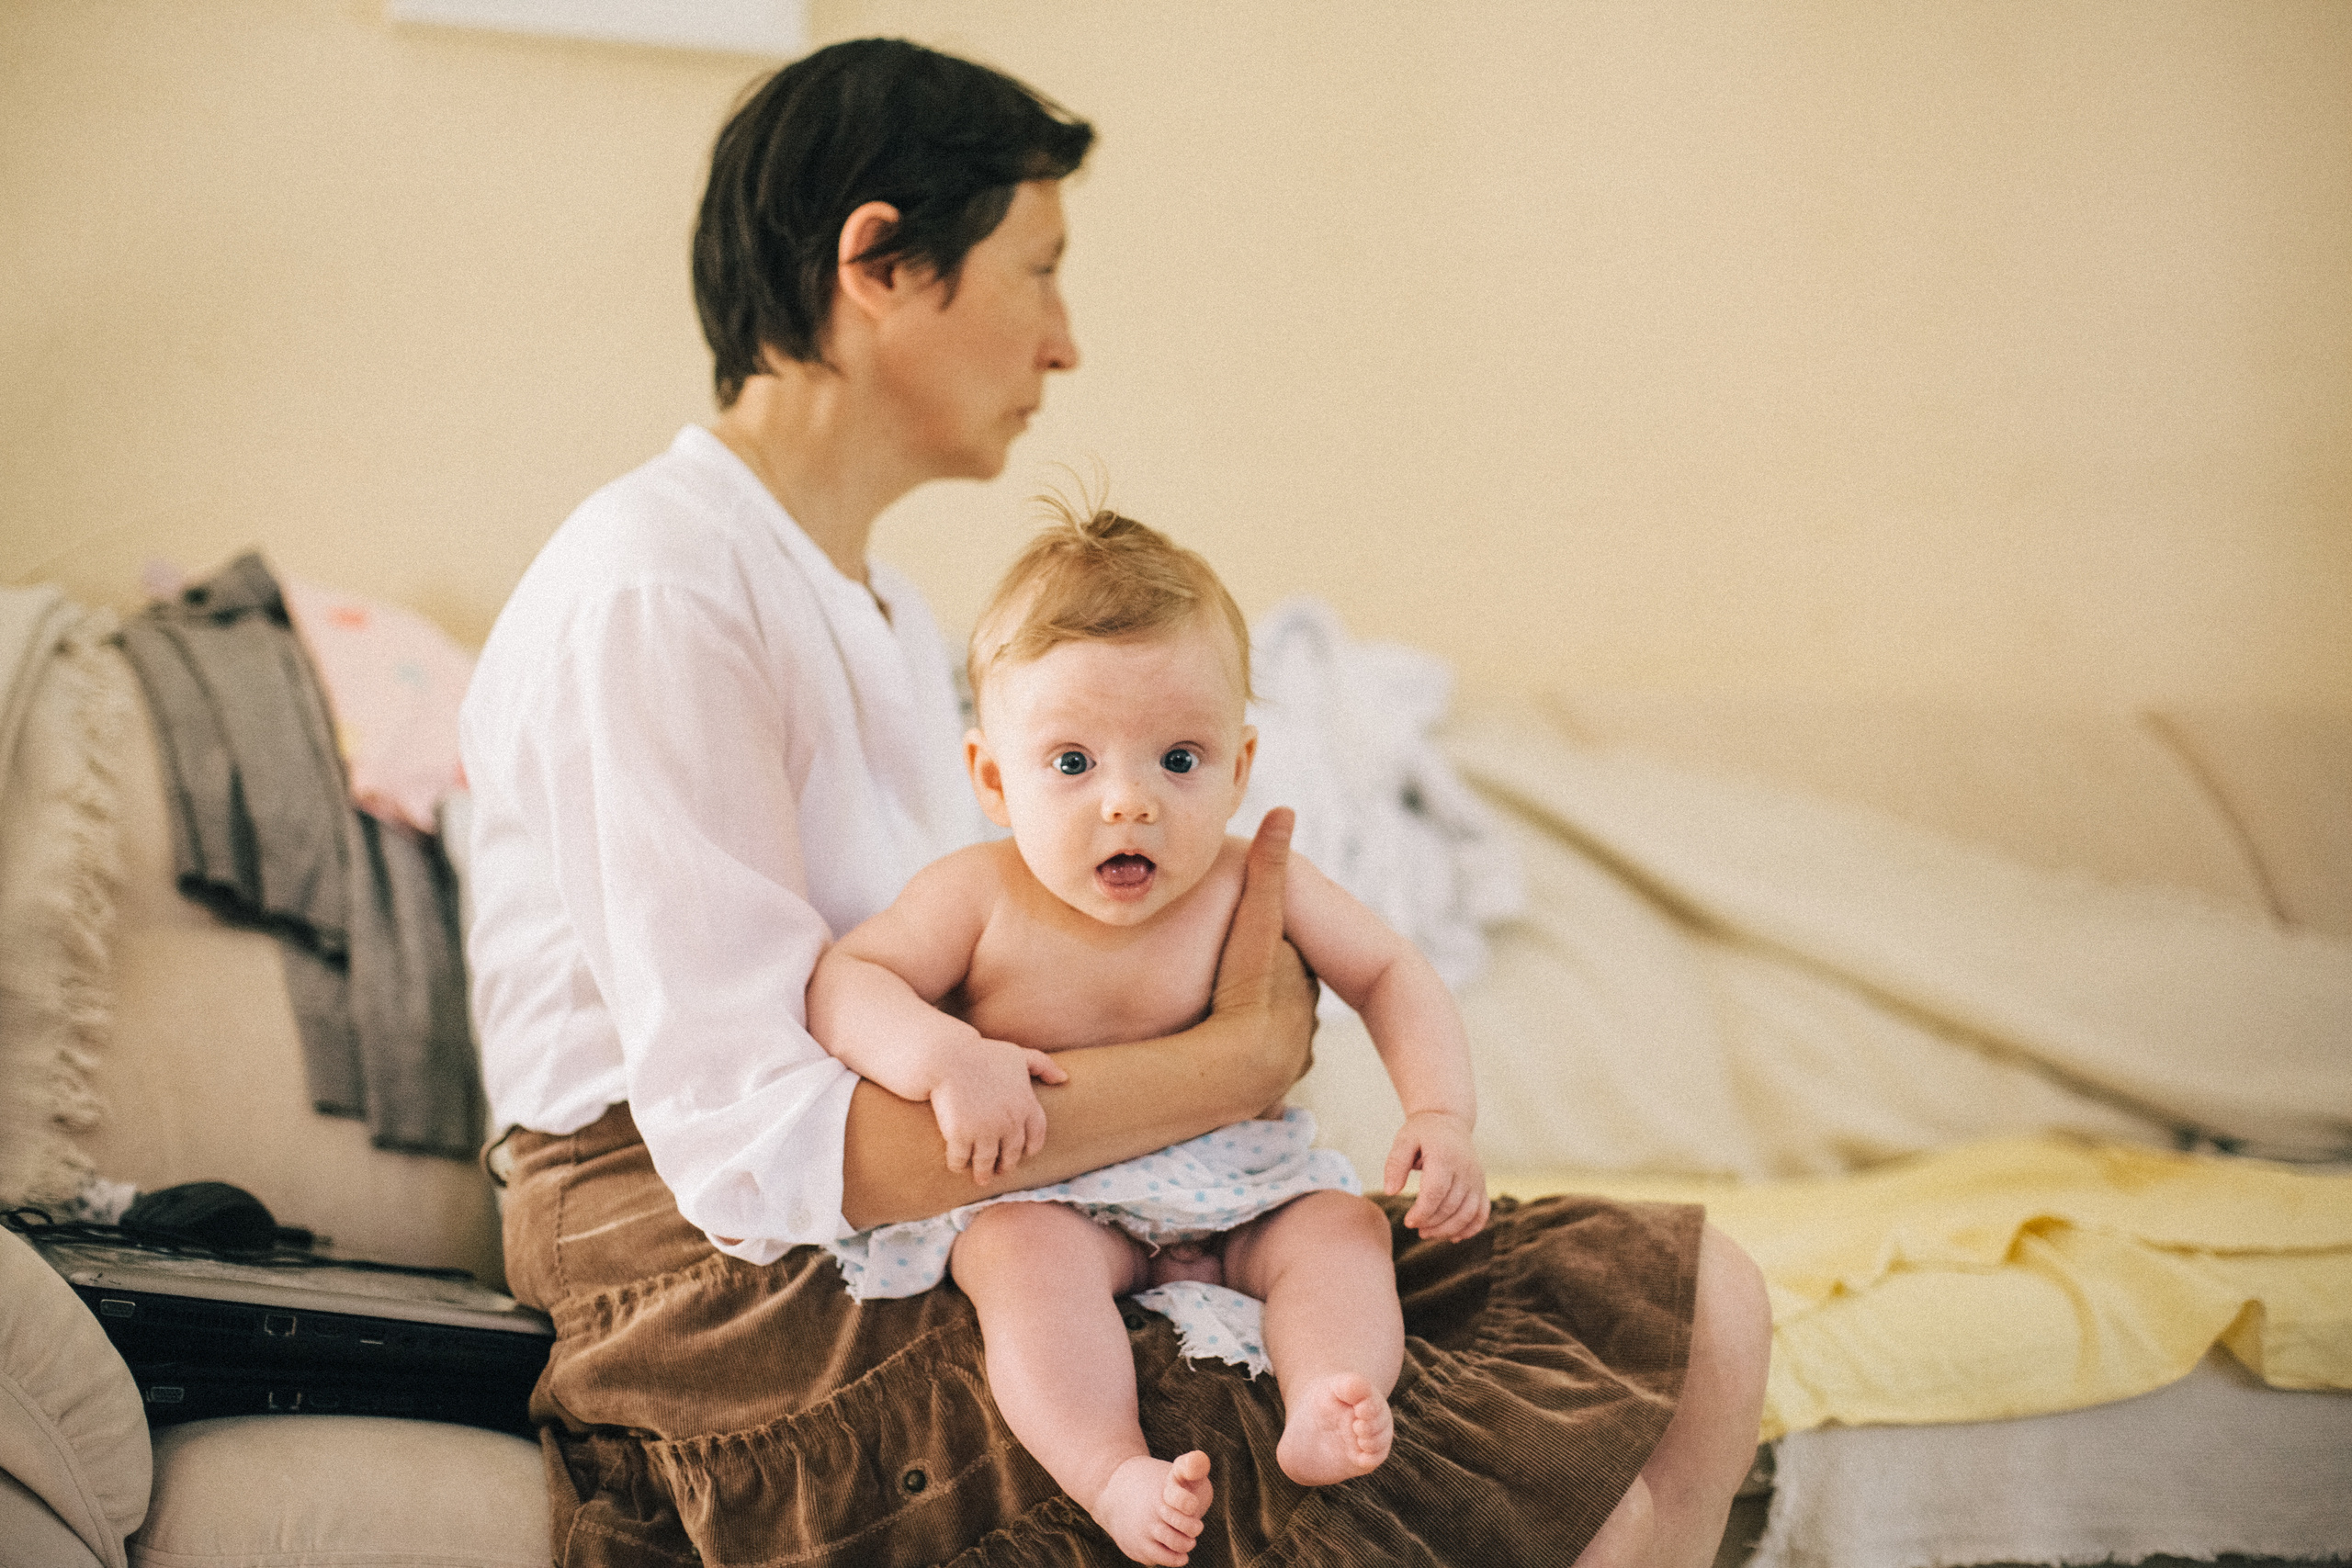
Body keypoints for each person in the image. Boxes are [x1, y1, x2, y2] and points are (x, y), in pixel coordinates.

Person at [460, 34, 1770, 1568]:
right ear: (880, 261)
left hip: (986, 1194)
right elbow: (764, 1159)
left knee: (1701, 1305)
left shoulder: (872, 612)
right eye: (1039, 270)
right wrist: (1237, 1062)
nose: (1065, 342)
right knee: (1520, 1488)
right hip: (723, 1284)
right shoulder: (660, 588)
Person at [806, 507, 1489, 1564]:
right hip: (1061, 1196)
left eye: (1178, 758)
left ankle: (1326, 1400)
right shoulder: (974, 895)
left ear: (1238, 764)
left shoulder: (1246, 878)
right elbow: (846, 982)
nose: (1128, 805)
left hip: (1245, 1181)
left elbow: (1390, 970)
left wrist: (1440, 1113)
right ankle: (1108, 1468)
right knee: (1016, 1262)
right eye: (1072, 763)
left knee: (1344, 1235)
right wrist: (944, 1057)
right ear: (992, 779)